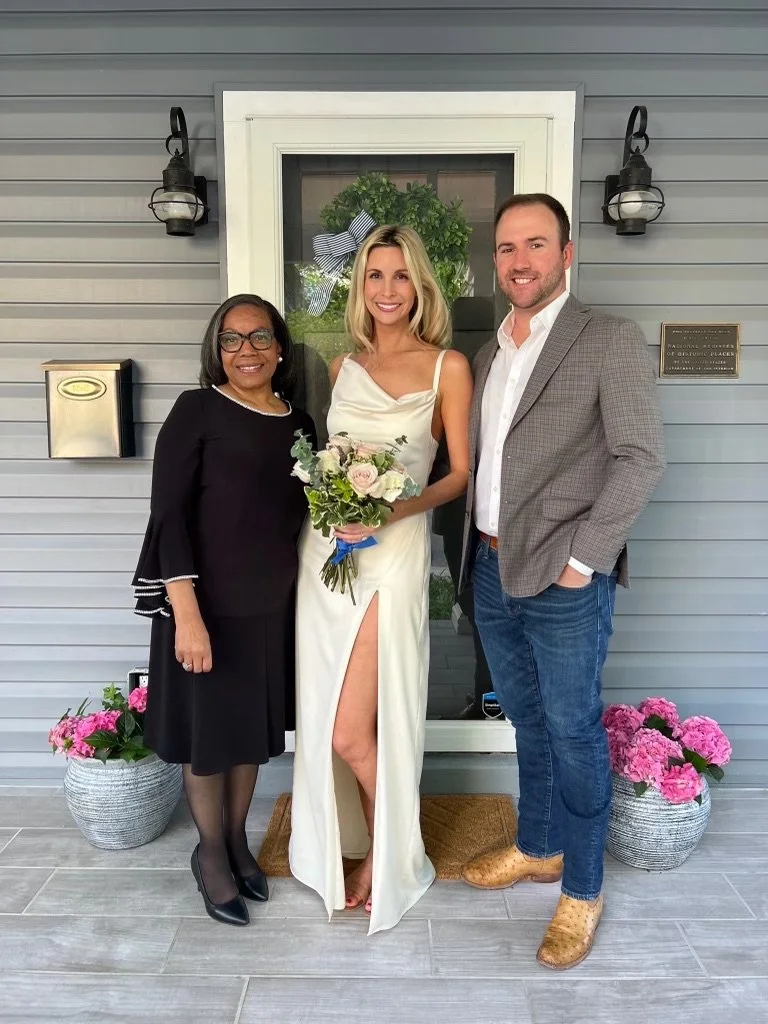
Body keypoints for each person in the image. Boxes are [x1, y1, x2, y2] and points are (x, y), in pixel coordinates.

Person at [459, 194, 666, 969]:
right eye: (508, 247)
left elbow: (640, 457)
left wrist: (585, 560)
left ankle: (581, 889)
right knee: (529, 720)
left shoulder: (606, 338)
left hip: (563, 575)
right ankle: (539, 845)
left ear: (567, 254)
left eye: (536, 244)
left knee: (574, 730)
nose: (519, 261)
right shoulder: (488, 355)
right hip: (489, 567)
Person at [289, 225, 473, 934]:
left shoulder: (446, 367)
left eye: (400, 277)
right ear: (359, 287)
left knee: (352, 731)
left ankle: (395, 852)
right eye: (374, 276)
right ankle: (362, 843)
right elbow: (327, 457)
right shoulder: (343, 367)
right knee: (333, 715)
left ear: (420, 286)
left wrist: (393, 507)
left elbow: (458, 473)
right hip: (327, 553)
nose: (388, 290)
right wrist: (331, 503)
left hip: (393, 554)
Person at [132, 293, 315, 927]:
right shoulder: (198, 410)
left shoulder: (299, 423)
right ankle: (210, 855)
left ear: (280, 347)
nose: (246, 351)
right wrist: (185, 613)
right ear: (216, 350)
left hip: (270, 606)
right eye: (232, 340)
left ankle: (238, 840)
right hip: (204, 607)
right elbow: (168, 514)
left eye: (259, 337)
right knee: (210, 740)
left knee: (247, 740)